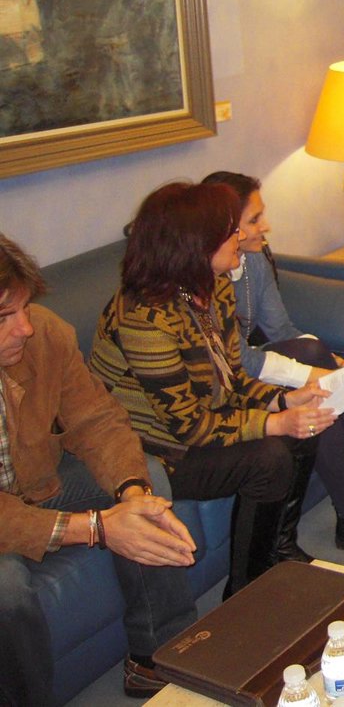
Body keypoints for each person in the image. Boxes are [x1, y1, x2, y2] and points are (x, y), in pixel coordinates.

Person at [89, 183, 344, 601]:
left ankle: (279, 551)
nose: (240, 237)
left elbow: (234, 376)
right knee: (269, 456)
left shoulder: (213, 289)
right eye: (231, 232)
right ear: (196, 245)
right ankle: (245, 589)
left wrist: (285, 400)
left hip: (199, 424)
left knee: (306, 424)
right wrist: (276, 421)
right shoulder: (143, 319)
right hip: (154, 450)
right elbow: (188, 426)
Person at [0, 233, 197, 701]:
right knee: (6, 590)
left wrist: (132, 494)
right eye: (4, 316)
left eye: (24, 309)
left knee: (148, 484)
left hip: (35, 484)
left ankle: (159, 656)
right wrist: (98, 528)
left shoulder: (46, 335)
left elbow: (97, 419)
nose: (25, 328)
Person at [201, 171, 344, 540]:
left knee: (316, 366)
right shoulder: (205, 278)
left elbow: (281, 330)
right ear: (223, 228)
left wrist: (325, 361)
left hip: (253, 360)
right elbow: (240, 361)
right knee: (317, 390)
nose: (265, 226)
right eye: (254, 219)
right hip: (225, 377)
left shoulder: (252, 259)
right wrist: (314, 375)